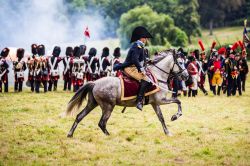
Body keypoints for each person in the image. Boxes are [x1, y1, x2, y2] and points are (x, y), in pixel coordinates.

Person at [120, 26, 153, 111]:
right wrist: (141, 69)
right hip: (130, 68)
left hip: (134, 67)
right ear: (141, 38)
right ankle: (138, 101)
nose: (146, 40)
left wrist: (149, 61)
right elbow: (134, 59)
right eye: (145, 38)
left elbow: (141, 59)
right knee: (146, 80)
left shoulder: (140, 46)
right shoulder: (137, 45)